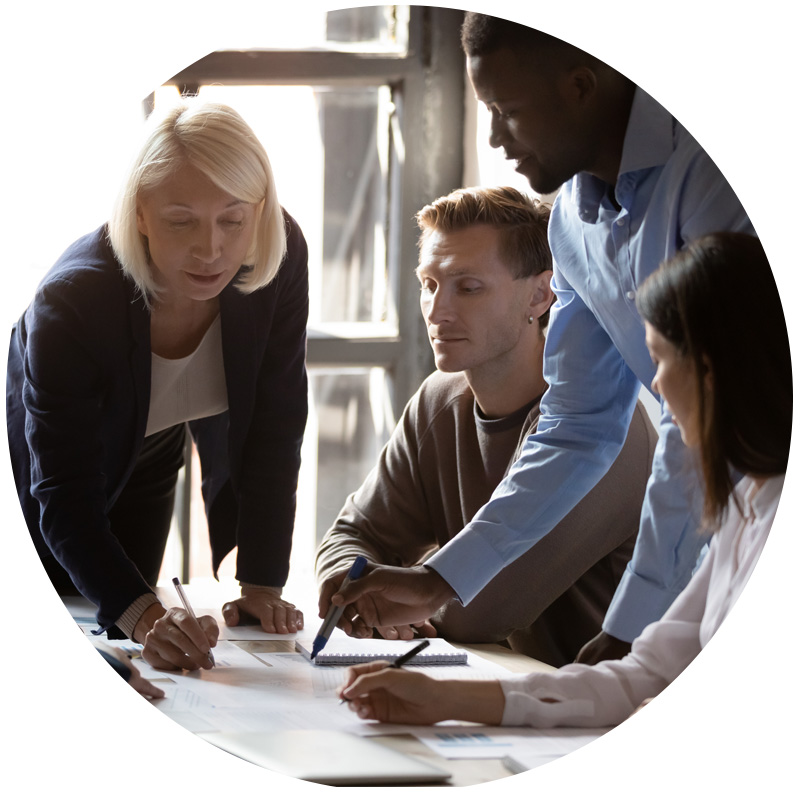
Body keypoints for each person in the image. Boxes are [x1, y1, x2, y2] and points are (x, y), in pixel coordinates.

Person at [332, 13, 755, 665]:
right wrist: (435, 581)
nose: (496, 137)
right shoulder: (570, 224)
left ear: (580, 87)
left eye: (508, 111)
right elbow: (578, 426)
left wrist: (628, 632)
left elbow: (701, 420)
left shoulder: (711, 180)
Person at [339, 232, 790, 727]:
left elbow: (485, 612)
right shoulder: (743, 508)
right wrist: (441, 701)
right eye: (429, 284)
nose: (654, 386)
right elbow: (643, 675)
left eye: (660, 361)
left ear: (709, 372)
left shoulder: (759, 511)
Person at [7, 99, 308, 670]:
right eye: (180, 220)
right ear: (140, 213)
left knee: (139, 632)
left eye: (232, 218)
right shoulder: (72, 301)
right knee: (68, 614)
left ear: (260, 210)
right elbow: (63, 493)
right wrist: (144, 616)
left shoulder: (279, 253)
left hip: (154, 446)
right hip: (42, 475)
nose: (211, 248)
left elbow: (277, 421)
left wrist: (262, 586)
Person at [315, 186, 657, 667]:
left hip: (604, 711)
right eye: (429, 284)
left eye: (468, 287)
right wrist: (344, 581)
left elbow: (483, 612)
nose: (437, 311)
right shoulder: (439, 399)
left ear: (541, 294)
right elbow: (352, 533)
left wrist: (388, 595)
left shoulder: (606, 432)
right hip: (503, 692)